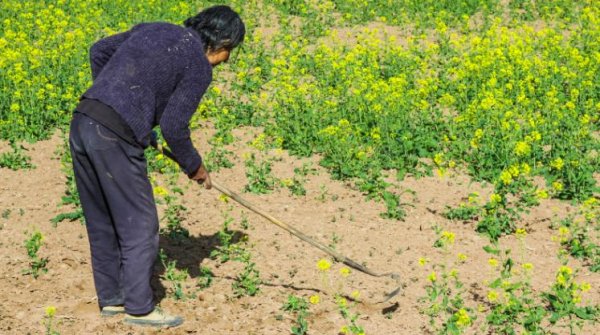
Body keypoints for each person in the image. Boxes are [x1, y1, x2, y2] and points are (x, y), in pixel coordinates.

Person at [68, 5, 245, 327]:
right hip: (113, 136)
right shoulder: (198, 65)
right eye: (229, 52)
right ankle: (139, 309)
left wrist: (115, 97)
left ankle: (112, 301)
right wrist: (195, 167)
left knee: (102, 218)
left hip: (83, 120)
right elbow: (175, 126)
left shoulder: (155, 28)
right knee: (140, 224)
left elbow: (99, 50)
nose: (227, 60)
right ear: (221, 43)